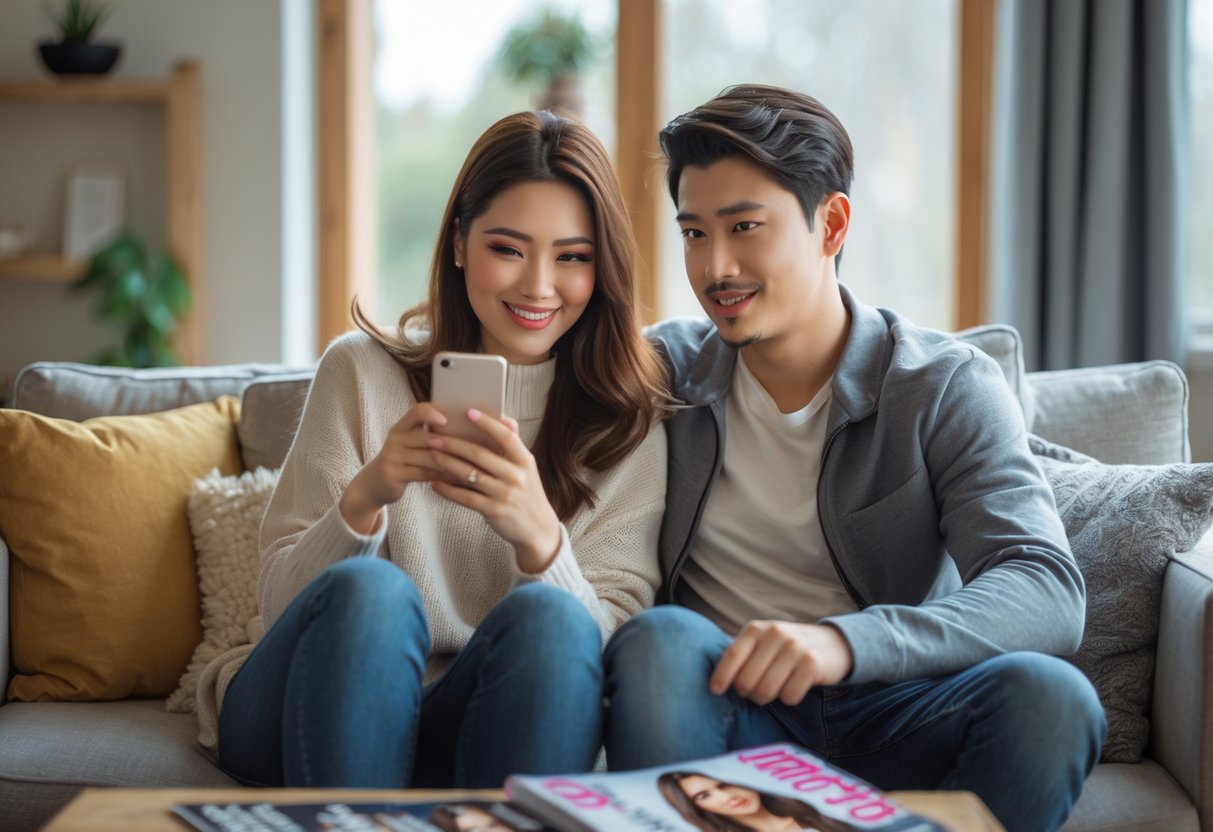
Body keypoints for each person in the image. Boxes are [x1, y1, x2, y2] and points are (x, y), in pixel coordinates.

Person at [602, 84, 1106, 831]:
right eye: (694, 234)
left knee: (1051, 699)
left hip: (896, 705)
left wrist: (847, 642)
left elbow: (1042, 587)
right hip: (727, 710)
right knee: (661, 641)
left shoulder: (941, 384)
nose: (715, 268)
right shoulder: (661, 374)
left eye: (745, 227)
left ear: (831, 222)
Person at [195, 110, 669, 789]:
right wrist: (365, 498)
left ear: (602, 270)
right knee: (372, 591)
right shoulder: (360, 372)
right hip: (302, 699)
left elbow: (606, 659)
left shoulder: (626, 419)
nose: (538, 285)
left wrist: (541, 540)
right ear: (457, 245)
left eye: (572, 257)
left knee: (552, 620)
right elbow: (279, 612)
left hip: (475, 715)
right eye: (507, 248)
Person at [658, 772, 856, 832]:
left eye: (725, 784)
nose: (727, 797)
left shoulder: (815, 813)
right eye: (704, 796)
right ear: (695, 808)